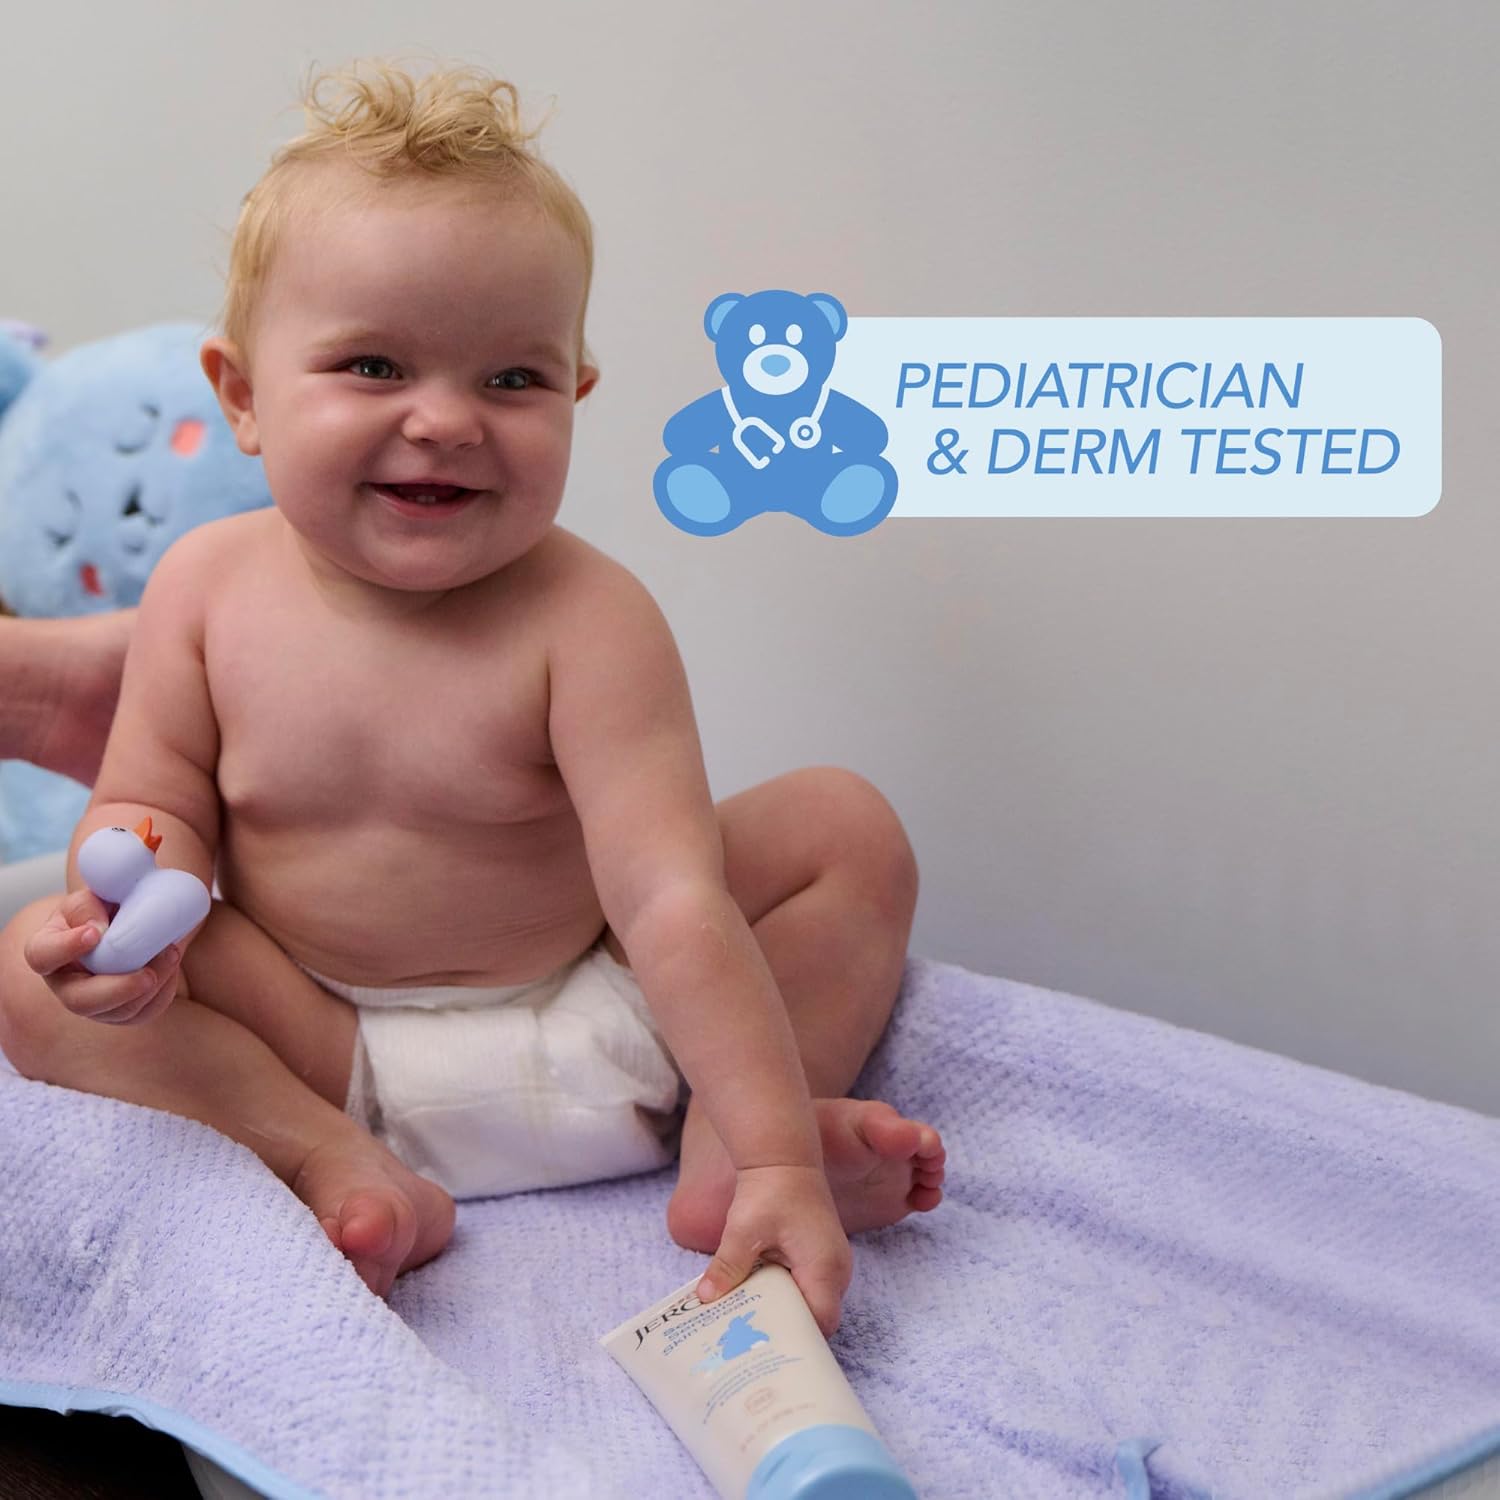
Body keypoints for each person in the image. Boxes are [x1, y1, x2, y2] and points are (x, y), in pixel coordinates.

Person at [0, 63, 943, 1336]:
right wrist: (127, 916)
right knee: (25, 970)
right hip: (323, 1049)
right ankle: (334, 1163)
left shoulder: (589, 620)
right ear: (243, 396)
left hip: (617, 1028)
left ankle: (739, 1153)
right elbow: (147, 802)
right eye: (374, 365)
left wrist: (778, 1144)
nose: (445, 421)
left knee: (842, 826)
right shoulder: (205, 590)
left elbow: (669, 899)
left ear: (575, 396)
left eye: (511, 380)